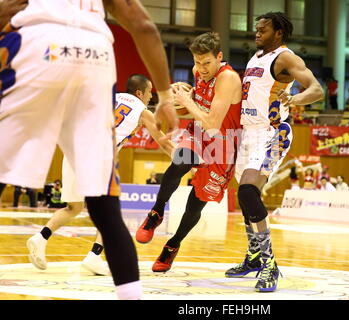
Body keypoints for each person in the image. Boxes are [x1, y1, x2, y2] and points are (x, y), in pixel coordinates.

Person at [0, 0, 177, 300]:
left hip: (36, 43)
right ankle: (127, 291)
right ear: (141, 92)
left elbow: (8, 7)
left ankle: (69, 246)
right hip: (96, 55)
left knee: (67, 204)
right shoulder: (140, 107)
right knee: (105, 209)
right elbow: (144, 26)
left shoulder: (125, 99)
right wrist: (166, 97)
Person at [26, 74, 174, 277]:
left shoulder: (109, 97)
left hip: (73, 149)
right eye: (149, 92)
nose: (150, 97)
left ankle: (40, 238)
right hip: (97, 155)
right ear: (139, 93)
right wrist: (184, 161)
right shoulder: (142, 110)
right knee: (110, 213)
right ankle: (94, 257)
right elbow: (163, 142)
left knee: (73, 207)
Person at [225, 12, 323, 292]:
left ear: (278, 32)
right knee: (244, 198)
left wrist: (294, 98)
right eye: (256, 29)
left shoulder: (286, 58)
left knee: (247, 192)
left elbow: (317, 89)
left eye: (263, 30)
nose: (257, 33)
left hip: (273, 133)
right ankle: (254, 256)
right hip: (247, 133)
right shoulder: (255, 58)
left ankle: (270, 264)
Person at [135, 32, 242, 273]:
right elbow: (195, 112)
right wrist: (178, 103)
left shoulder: (228, 79)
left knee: (196, 204)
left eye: (207, 63)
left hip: (223, 144)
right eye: (196, 62)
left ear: (219, 57)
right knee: (179, 162)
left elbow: (214, 123)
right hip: (199, 135)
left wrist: (186, 99)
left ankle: (172, 246)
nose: (201, 69)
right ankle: (156, 212)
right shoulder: (197, 74)